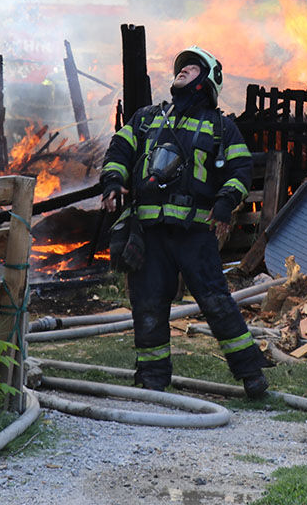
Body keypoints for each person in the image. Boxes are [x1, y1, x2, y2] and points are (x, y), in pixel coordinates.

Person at [99, 46, 269, 398]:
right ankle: (152, 378)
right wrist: (113, 181)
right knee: (147, 305)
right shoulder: (148, 118)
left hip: (194, 234)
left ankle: (251, 373)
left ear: (206, 82)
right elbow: (120, 149)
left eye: (192, 68)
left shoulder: (221, 127)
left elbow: (241, 170)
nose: (182, 71)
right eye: (182, 68)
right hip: (147, 233)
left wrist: (225, 202)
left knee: (215, 301)